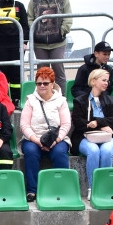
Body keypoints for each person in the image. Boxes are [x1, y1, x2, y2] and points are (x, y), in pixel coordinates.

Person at [72, 69, 113, 199]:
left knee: (107, 151)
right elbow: (78, 122)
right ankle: (93, 187)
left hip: (109, 137)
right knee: (93, 150)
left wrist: (98, 122)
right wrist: (101, 126)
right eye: (103, 80)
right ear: (93, 81)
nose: (106, 83)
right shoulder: (80, 101)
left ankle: (104, 187)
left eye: (107, 81)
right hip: (85, 137)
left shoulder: (111, 100)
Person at [19, 66, 71, 202]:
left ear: (52, 84)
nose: (42, 86)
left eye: (45, 83)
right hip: (33, 138)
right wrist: (36, 140)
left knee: (59, 153)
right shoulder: (30, 100)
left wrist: (57, 140)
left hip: (57, 138)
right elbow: (24, 125)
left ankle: (62, 189)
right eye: (39, 83)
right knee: (31, 152)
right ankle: (32, 190)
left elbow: (66, 125)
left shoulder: (61, 101)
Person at [27, 0, 73, 96]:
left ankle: (61, 99)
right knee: (42, 72)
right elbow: (29, 18)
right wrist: (35, 31)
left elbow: (68, 17)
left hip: (58, 42)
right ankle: (42, 99)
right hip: (40, 44)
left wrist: (62, 32)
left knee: (59, 71)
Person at [0, 0, 30, 102]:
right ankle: (3, 97)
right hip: (0, 44)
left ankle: (17, 98)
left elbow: (25, 25)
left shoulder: (19, 5)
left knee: (16, 72)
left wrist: (25, 42)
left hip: (16, 44)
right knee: (2, 72)